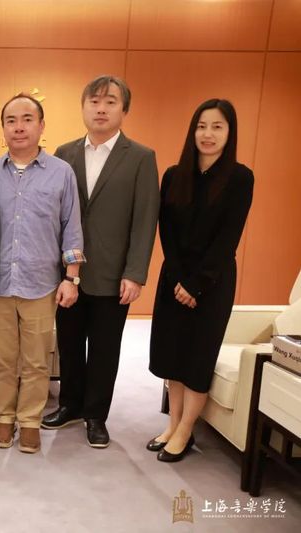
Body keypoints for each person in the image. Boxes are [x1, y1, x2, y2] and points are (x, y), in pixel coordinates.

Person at [42, 75, 160, 448]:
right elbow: (56, 214)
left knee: (105, 349)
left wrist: (135, 273)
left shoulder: (140, 157)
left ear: (124, 109)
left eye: (110, 102)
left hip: (114, 274)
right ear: (83, 107)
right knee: (69, 343)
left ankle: (96, 415)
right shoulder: (64, 153)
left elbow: (145, 219)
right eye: (94, 101)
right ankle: (70, 405)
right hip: (68, 273)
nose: (101, 109)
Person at [148, 99, 253, 462]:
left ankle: (186, 430)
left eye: (217, 127)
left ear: (229, 133)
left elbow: (228, 238)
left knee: (197, 359)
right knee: (172, 355)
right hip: (174, 278)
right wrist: (179, 278)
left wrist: (196, 285)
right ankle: (173, 425)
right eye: (201, 126)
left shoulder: (240, 178)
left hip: (212, 283)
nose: (208, 134)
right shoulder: (174, 175)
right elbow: (167, 230)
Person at [0, 94, 84, 454]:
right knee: (2, 359)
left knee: (37, 361)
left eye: (27, 119)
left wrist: (71, 277)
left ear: (41, 125)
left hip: (42, 284)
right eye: (11, 120)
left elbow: (72, 227)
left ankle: (29, 421)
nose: (19, 127)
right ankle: (3, 417)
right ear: (3, 128)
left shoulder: (61, 172)